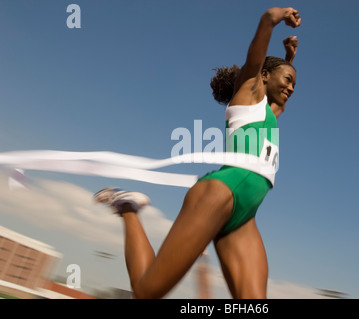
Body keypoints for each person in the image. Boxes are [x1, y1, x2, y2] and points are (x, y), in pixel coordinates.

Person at [95, 7, 301, 299]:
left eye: (294, 83)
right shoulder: (247, 93)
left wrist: (289, 60)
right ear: (263, 76)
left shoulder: (269, 112)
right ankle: (128, 208)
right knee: (146, 292)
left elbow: (281, 92)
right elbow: (257, 56)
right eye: (287, 80)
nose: (291, 88)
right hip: (219, 194)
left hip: (246, 214)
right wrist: (272, 18)